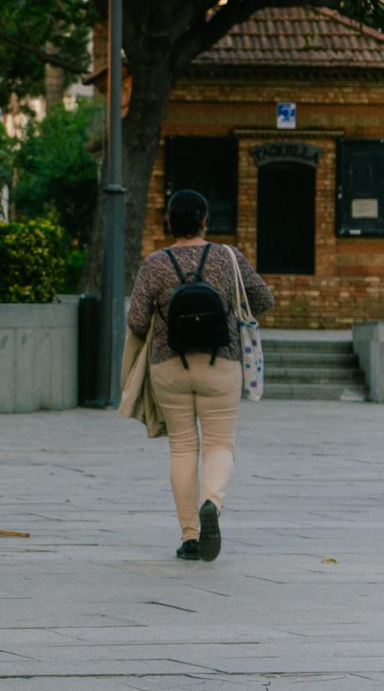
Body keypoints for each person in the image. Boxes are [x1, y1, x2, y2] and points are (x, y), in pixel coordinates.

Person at [126, 189, 274, 562]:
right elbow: (264, 299)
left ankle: (191, 536)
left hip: (169, 366)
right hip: (220, 364)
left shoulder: (155, 263)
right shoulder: (227, 257)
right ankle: (212, 502)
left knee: (183, 447)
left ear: (169, 224)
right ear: (205, 221)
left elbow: (137, 321)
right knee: (220, 444)